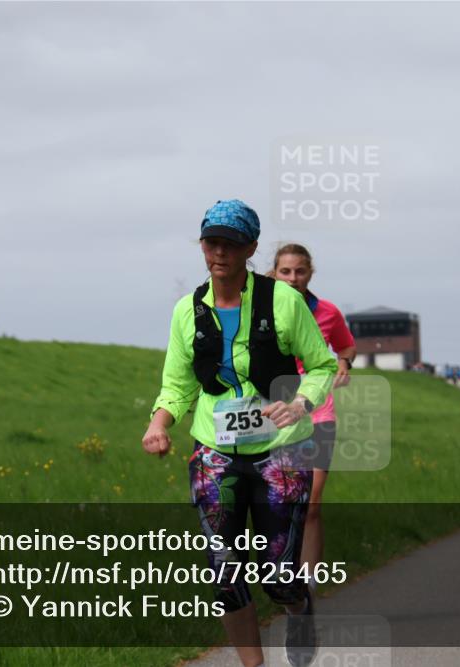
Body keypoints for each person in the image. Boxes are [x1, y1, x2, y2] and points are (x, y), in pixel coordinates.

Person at [143, 200, 338, 667]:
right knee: (224, 573)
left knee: (279, 577)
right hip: (215, 451)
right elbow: (177, 383)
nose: (220, 252)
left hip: (280, 452)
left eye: (231, 244)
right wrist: (159, 423)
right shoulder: (187, 311)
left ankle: (298, 606)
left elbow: (322, 365)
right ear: (203, 246)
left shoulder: (283, 301)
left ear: (250, 248)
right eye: (212, 242)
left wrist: (299, 403)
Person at [268, 243, 356, 592]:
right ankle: (279, 573)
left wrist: (344, 363)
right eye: (285, 271)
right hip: (274, 413)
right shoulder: (260, 308)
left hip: (319, 412)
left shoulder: (329, 313)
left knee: (312, 500)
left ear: (310, 273)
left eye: (299, 271)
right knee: (278, 501)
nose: (292, 278)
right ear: (274, 272)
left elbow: (346, 346)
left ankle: (306, 583)